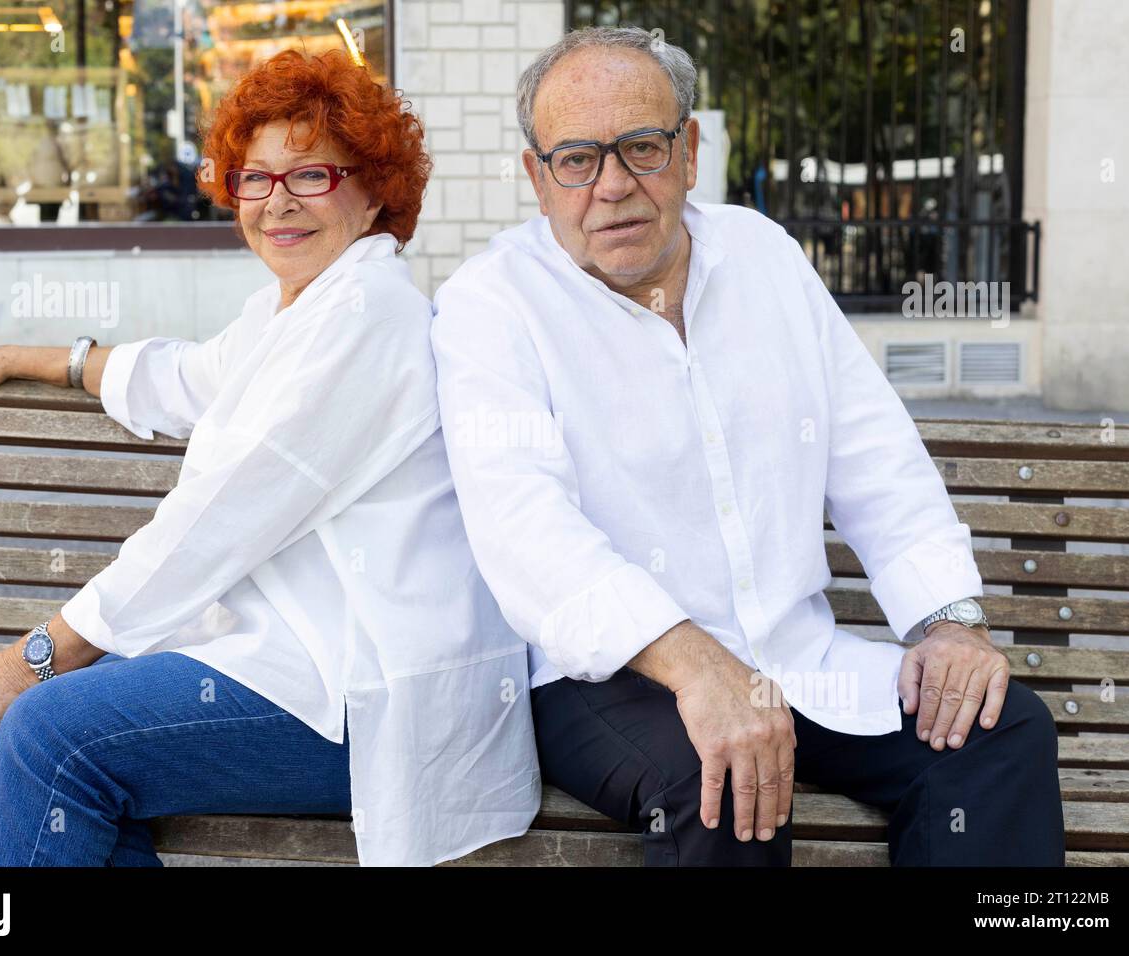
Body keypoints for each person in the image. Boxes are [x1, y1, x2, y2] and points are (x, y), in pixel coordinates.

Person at [429, 26, 1064, 866]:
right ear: (537, 178)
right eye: (576, 159)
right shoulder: (491, 303)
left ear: (688, 151)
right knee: (717, 776)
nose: (611, 185)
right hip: (608, 678)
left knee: (998, 729)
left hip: (795, 659)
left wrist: (947, 622)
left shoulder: (763, 255)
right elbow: (526, 531)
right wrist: (696, 666)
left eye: (641, 147)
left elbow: (875, 452)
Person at [0, 48, 539, 867]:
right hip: (295, 668)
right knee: (65, 774)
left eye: (312, 176)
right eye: (256, 178)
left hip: (367, 696)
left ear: (376, 188)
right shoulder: (298, 310)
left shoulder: (368, 317)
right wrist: (32, 357)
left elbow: (213, 525)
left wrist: (27, 659)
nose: (278, 204)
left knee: (48, 734)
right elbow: (185, 377)